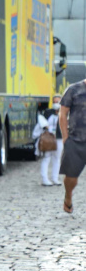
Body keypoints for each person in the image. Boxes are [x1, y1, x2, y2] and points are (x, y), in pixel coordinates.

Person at [60, 80, 86, 212]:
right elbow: (63, 114)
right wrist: (65, 138)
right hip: (76, 140)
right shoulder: (73, 90)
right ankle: (68, 195)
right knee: (71, 178)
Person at [34, 95, 63, 187]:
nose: (56, 103)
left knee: (57, 158)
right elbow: (41, 122)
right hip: (48, 138)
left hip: (59, 138)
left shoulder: (65, 113)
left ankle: (55, 178)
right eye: (54, 102)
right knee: (46, 158)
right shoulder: (47, 112)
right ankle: (45, 179)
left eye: (58, 101)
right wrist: (45, 126)